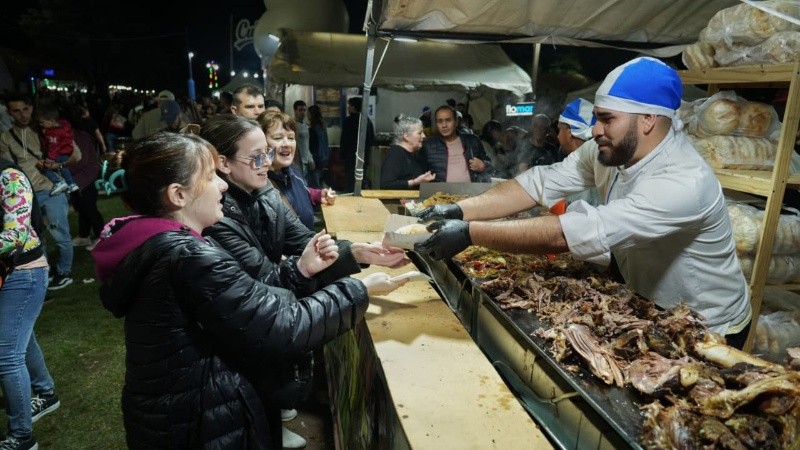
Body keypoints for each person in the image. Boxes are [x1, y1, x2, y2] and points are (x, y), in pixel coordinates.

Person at [413, 57, 752, 348]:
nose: (593, 130)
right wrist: (460, 211)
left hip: (708, 322)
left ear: (648, 119)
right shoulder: (610, 148)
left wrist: (469, 233)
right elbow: (539, 183)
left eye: (607, 119)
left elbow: (570, 233)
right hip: (647, 297)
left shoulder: (683, 181)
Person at [92, 131, 399, 449]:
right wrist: (357, 288)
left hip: (180, 415)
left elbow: (245, 302)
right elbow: (283, 326)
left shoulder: (167, 245)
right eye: (211, 177)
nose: (222, 184)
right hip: (199, 423)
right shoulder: (189, 256)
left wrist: (301, 269)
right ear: (177, 195)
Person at [198, 116, 407, 448]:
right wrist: (305, 268)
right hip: (239, 348)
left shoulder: (264, 189)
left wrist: (358, 253)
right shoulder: (215, 215)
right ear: (222, 164)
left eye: (266, 153)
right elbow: (260, 287)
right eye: (256, 157)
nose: (267, 162)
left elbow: (304, 240)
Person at [0, 158, 60, 450]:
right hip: (5, 272)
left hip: (24, 273)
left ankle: (22, 437)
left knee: (6, 356)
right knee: (21, 338)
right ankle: (46, 393)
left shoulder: (8, 176)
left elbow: (16, 234)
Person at [0, 93, 78, 290]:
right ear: (9, 113)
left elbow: (75, 155)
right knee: (35, 239)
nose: (22, 114)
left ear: (31, 109)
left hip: (52, 189)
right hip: (28, 195)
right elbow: (8, 167)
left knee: (60, 234)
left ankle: (64, 272)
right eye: (16, 111)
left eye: (25, 109)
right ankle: (45, 272)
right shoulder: (6, 137)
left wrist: (55, 165)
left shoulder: (45, 129)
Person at [260, 112, 335, 231]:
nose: (287, 144)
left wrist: (317, 195)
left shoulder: (293, 171)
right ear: (261, 143)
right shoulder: (259, 184)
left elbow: (300, 191)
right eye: (278, 138)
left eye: (291, 138)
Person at [419, 105, 491, 183]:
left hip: (471, 192)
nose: (444, 125)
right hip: (439, 193)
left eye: (448, 120)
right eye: (440, 121)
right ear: (436, 124)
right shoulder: (428, 145)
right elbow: (420, 173)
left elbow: (490, 166)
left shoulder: (472, 141)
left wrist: (483, 166)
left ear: (456, 122)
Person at [555, 98, 601, 206]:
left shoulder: (584, 168)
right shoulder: (589, 159)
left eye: (560, 129)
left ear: (570, 131)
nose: (557, 136)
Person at [69, 129, 105, 251]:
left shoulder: (81, 137)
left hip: (88, 178)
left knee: (89, 208)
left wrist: (61, 167)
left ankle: (102, 238)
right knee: (82, 208)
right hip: (78, 179)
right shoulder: (72, 136)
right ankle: (84, 236)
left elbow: (81, 161)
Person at [380, 114, 434, 190]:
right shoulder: (395, 154)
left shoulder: (414, 153)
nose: (424, 136)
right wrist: (414, 182)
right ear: (406, 136)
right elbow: (386, 184)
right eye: (420, 133)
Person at [37, 105, 79, 195]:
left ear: (51, 121)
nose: (40, 125)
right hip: (67, 151)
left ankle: (58, 182)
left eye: (42, 122)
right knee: (64, 168)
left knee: (45, 168)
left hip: (59, 154)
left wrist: (49, 160)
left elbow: (53, 148)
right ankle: (71, 184)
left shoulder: (52, 133)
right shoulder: (64, 126)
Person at [339, 96, 375, 192]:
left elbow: (344, 140)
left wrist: (342, 156)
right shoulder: (367, 121)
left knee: (350, 182)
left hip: (351, 158)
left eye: (349, 106)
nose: (348, 108)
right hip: (364, 158)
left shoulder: (348, 121)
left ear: (354, 107)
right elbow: (372, 140)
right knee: (361, 180)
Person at [306, 105, 329, 189]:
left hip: (316, 159)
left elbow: (312, 146)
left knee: (314, 184)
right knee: (320, 181)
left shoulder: (312, 129)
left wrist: (311, 159)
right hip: (324, 158)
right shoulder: (322, 127)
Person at [292, 100, 314, 176]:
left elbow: (306, 145)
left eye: (304, 110)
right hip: (297, 161)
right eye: (300, 110)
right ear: (295, 111)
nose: (303, 112)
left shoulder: (305, 125)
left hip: (305, 161)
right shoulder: (292, 125)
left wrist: (310, 158)